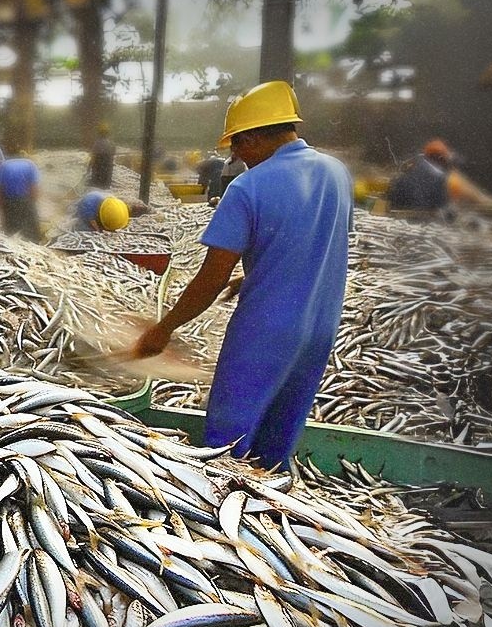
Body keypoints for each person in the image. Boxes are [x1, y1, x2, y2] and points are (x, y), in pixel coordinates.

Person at [132, 81, 353, 471]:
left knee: (225, 449)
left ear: (252, 138)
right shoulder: (337, 173)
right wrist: (252, 277)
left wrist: (164, 328)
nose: (234, 156)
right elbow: (313, 245)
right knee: (275, 445)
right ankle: (269, 516)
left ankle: (225, 529)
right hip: (320, 331)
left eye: (236, 144)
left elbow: (210, 279)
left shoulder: (247, 188)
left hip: (265, 333)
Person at [387, 139, 492, 211]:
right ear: (442, 159)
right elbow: (442, 208)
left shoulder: (408, 172)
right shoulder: (442, 179)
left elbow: (392, 196)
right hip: (424, 225)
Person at [0, 156, 41, 242]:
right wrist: (33, 205)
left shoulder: (3, 166)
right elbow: (34, 188)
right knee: (32, 232)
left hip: (9, 201)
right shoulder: (30, 164)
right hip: (26, 200)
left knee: (10, 231)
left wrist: (0, 206)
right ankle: (34, 243)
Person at [87, 122, 116, 189]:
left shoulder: (97, 143)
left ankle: (98, 184)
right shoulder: (110, 143)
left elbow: (94, 156)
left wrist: (89, 166)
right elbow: (113, 154)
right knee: (105, 182)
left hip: (99, 165)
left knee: (97, 183)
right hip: (107, 166)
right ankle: (105, 185)